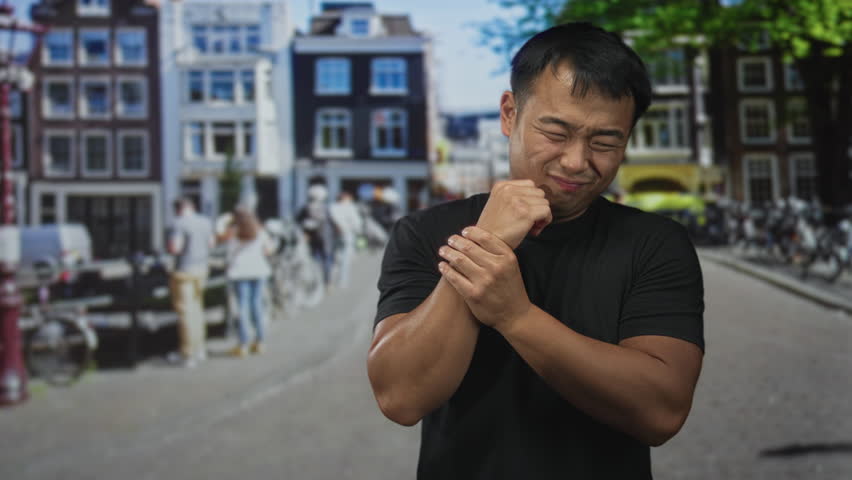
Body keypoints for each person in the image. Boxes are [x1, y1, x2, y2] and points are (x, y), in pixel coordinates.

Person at [367, 22, 704, 479]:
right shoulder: (424, 232)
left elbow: (661, 412)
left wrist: (516, 316)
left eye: (605, 142)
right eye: (556, 133)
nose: (576, 161)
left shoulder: (655, 243)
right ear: (510, 114)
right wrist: (484, 243)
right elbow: (400, 397)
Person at [166, 197, 214, 368]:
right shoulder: (205, 222)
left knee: (185, 312)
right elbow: (211, 243)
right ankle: (200, 348)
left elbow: (175, 248)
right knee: (197, 309)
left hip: (185, 271)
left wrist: (169, 246)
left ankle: (187, 353)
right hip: (202, 269)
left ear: (178, 209)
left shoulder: (178, 224)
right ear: (192, 207)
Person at [222, 206, 274, 357]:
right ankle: (260, 342)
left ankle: (243, 343)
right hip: (258, 270)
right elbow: (269, 250)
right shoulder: (259, 231)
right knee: (256, 305)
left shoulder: (234, 232)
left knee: (243, 307)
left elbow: (229, 253)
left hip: (240, 272)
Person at [297, 184, 336, 286]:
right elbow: (332, 223)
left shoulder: (306, 207)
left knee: (315, 258)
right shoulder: (326, 208)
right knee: (326, 259)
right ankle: (327, 281)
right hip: (325, 238)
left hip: (312, 237)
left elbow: (298, 221)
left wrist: (305, 232)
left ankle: (317, 279)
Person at [329, 191, 362, 288]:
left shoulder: (332, 207)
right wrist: (357, 231)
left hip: (335, 236)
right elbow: (357, 223)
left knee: (335, 259)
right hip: (347, 235)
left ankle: (330, 279)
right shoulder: (350, 207)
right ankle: (342, 281)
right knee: (345, 260)